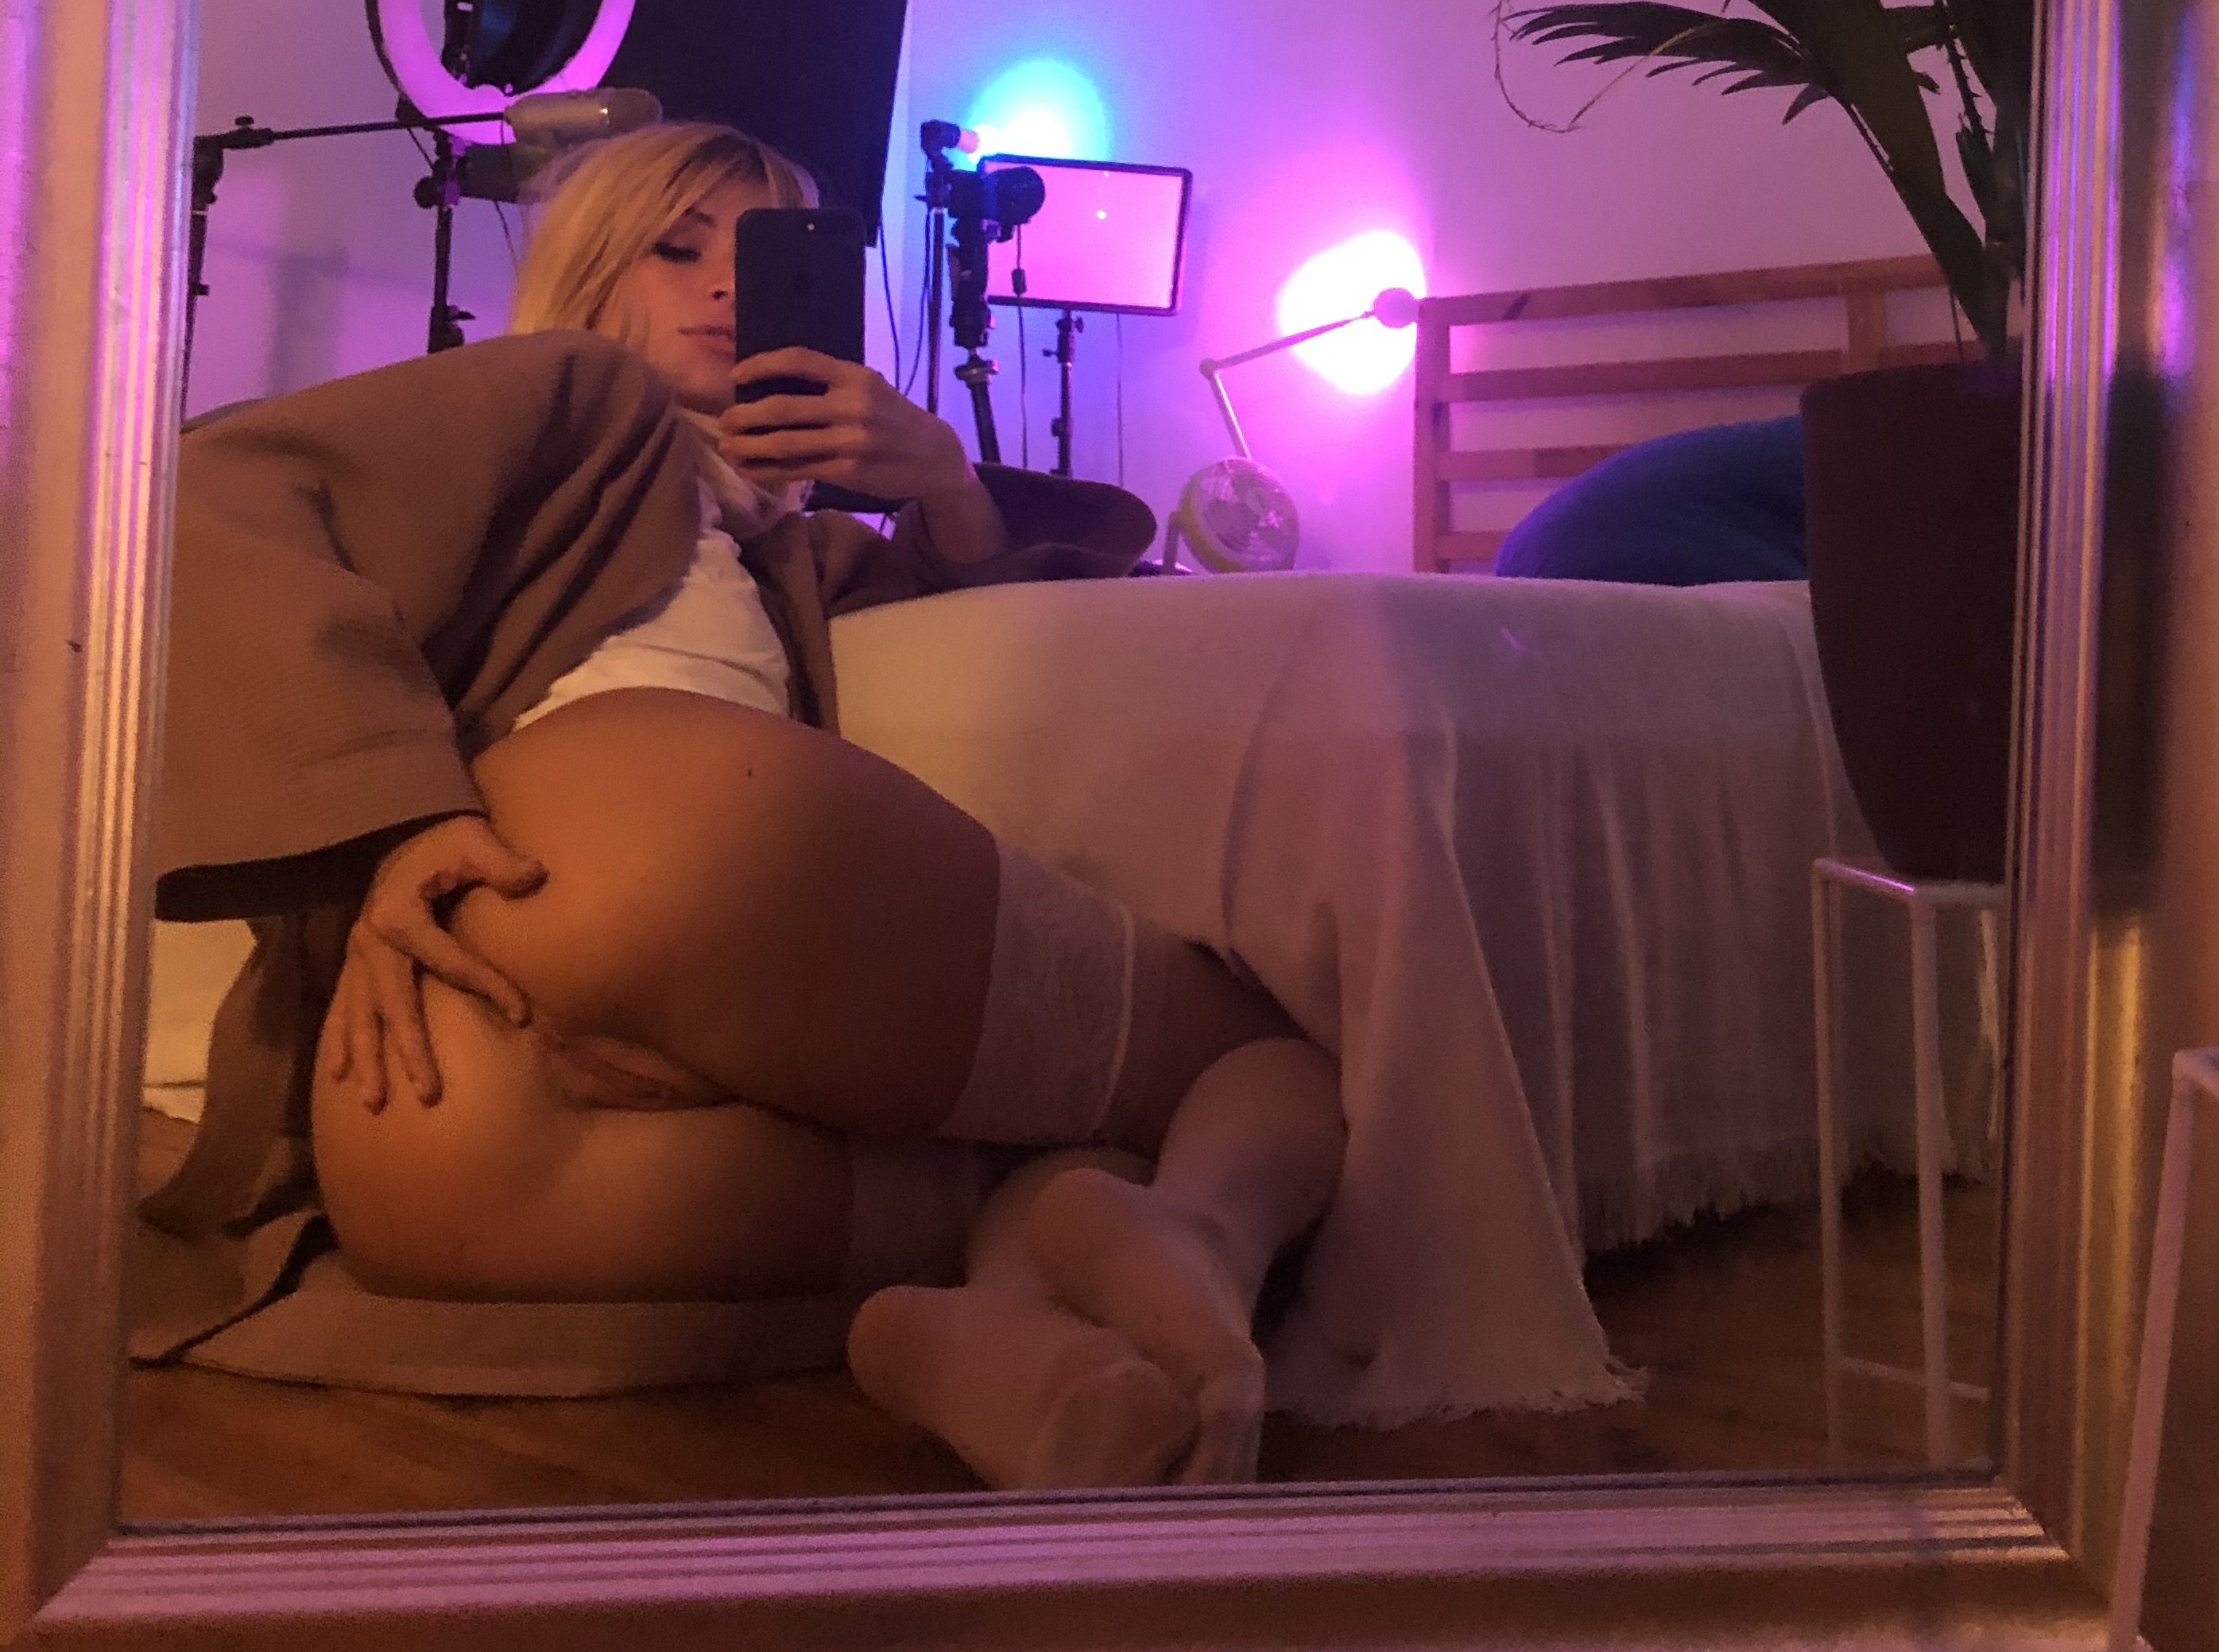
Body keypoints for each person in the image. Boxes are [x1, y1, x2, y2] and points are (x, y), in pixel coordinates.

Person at [142, 122, 1344, 1487]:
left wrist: (943, 482)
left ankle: (983, 1329)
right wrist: (393, 816)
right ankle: (1191, 1226)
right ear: (588, 282)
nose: (726, 285)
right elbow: (207, 493)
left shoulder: (789, 545)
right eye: (677, 249)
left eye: (767, 258)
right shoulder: (565, 389)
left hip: (468, 1034)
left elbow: (1031, 639)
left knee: (446, 1197)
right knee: (1263, 1064)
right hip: (632, 840)